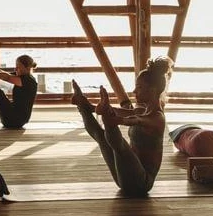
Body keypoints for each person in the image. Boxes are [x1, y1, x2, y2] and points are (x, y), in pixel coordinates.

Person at [69, 56, 173, 197]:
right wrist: (89, 106)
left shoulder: (157, 118)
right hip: (124, 176)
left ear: (153, 90)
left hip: (142, 183)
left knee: (120, 144)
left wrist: (113, 118)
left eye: (139, 87)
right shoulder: (142, 110)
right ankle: (82, 106)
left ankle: (105, 118)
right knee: (101, 136)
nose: (134, 91)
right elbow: (124, 112)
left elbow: (134, 120)